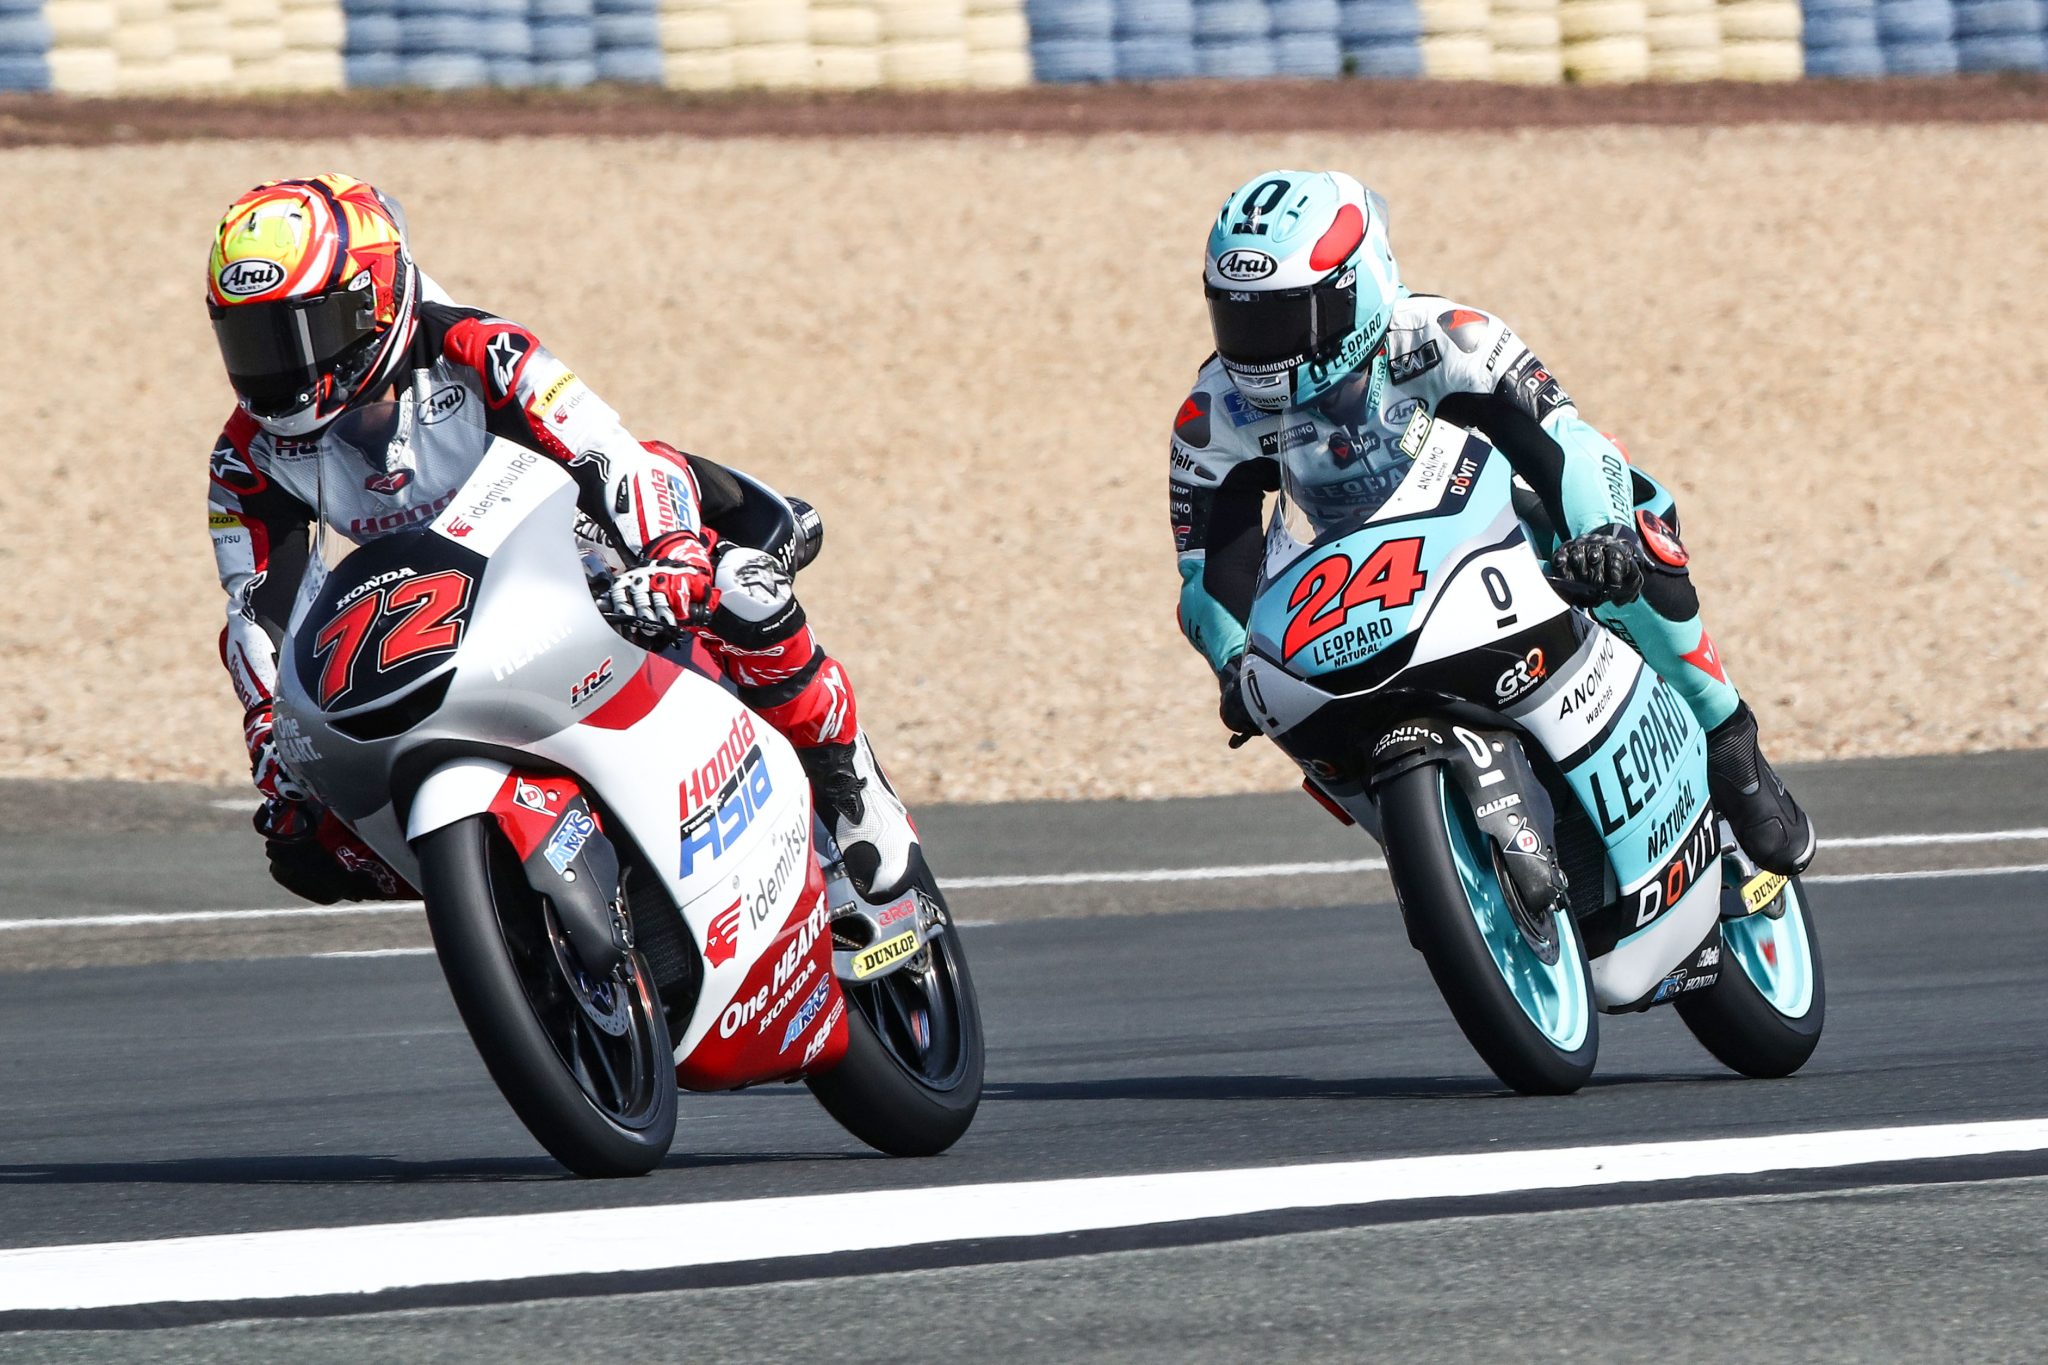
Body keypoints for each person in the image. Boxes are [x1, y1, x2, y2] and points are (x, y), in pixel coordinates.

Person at [204, 174, 921, 904]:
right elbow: (258, 611)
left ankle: (848, 784)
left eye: (301, 333)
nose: (279, 367)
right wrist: (268, 728)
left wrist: (672, 556)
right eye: (251, 340)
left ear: (373, 303)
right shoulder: (245, 458)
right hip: (434, 619)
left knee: (741, 589)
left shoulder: (477, 348)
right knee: (305, 852)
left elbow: (610, 454)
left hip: (582, 556)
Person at [1170, 169, 1814, 875]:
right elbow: (1207, 576)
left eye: (1286, 319)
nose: (1260, 348)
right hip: (1348, 590)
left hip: (1483, 534)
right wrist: (1232, 661)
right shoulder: (1212, 414)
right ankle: (1438, 852)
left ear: (1357, 289)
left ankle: (1729, 740)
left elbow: (1567, 441)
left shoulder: (1448, 336)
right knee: (1269, 689)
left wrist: (1601, 533)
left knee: (1634, 515)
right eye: (1239, 321)